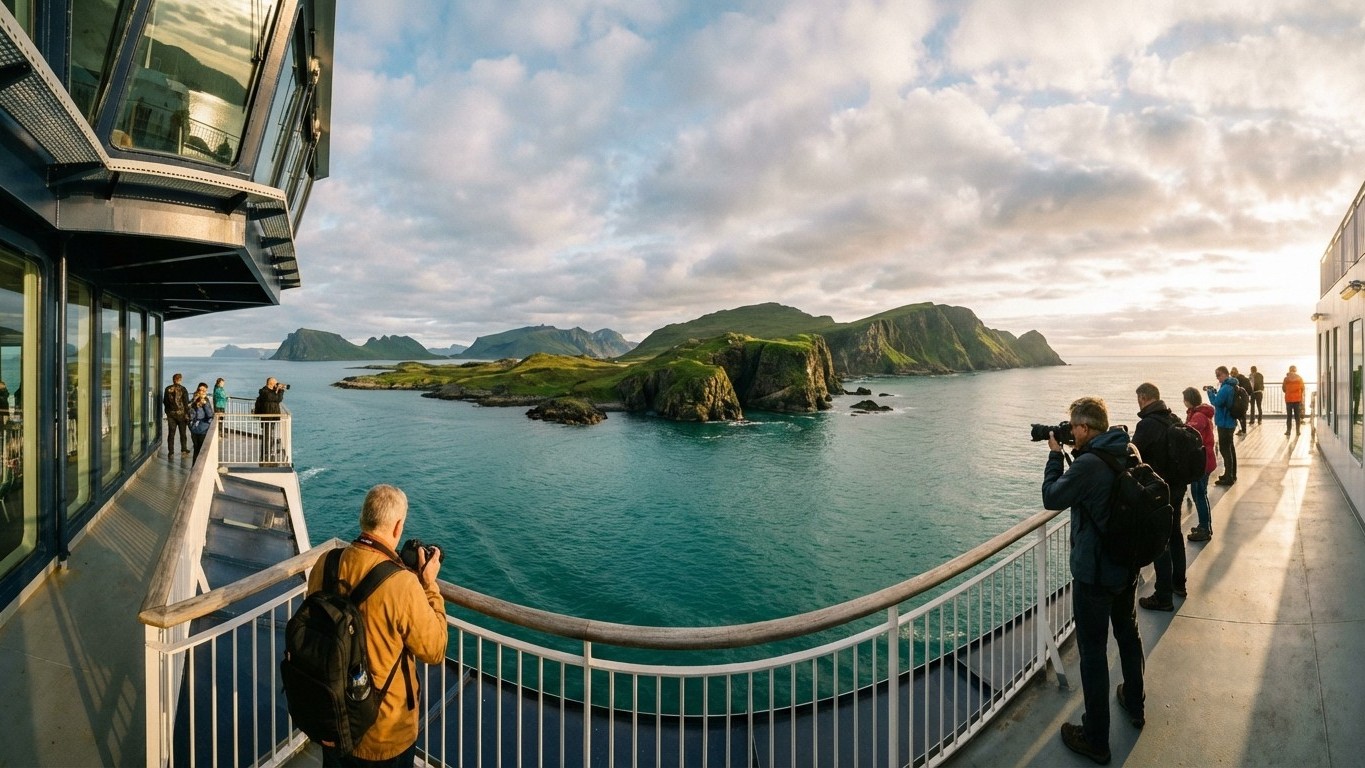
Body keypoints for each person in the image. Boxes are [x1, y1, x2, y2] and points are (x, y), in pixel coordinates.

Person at [307, 484, 447, 767]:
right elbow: (435, 649)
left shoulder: (327, 562)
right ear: (398, 527)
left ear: (364, 518)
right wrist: (429, 585)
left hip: (333, 718)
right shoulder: (403, 585)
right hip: (385, 735)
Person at [1042, 396, 1145, 764]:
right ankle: (1135, 702)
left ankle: (1096, 738)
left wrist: (1056, 455)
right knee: (1128, 634)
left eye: (1073, 428)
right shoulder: (1126, 447)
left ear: (1085, 429)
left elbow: (1051, 497)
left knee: (1093, 655)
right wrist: (1074, 450)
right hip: (1126, 564)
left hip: (1095, 575)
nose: (1069, 432)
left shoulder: (1087, 464)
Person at [1132, 383, 1187, 611]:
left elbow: (1133, 455)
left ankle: (1163, 596)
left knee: (1160, 540)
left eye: (1138, 399)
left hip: (1160, 491)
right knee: (1175, 534)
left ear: (1143, 398)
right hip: (1178, 486)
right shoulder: (1173, 418)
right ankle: (1179, 584)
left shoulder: (1147, 425)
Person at [1183, 387, 1217, 542]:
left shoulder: (1199, 416)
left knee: (1200, 495)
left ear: (1189, 399)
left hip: (1203, 461)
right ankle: (1204, 525)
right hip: (1205, 459)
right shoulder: (1199, 413)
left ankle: (1204, 528)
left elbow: (1188, 432)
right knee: (1199, 494)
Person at [1204, 367, 1238, 486]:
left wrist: (1209, 392)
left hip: (1224, 422)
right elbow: (1223, 400)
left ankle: (1228, 477)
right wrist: (1215, 392)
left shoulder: (1226, 387)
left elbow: (1217, 403)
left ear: (1224, 374)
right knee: (1230, 448)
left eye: (1218, 375)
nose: (1217, 377)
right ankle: (1232, 474)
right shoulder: (1231, 385)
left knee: (1225, 450)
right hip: (1231, 421)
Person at [254, 377, 286, 464]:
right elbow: (278, 399)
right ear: (271, 383)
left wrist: (278, 389)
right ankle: (266, 454)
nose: (276, 384)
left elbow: (275, 399)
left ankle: (267, 452)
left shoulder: (270, 391)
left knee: (269, 435)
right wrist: (281, 390)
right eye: (275, 383)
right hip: (267, 417)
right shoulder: (264, 391)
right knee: (267, 436)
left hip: (272, 417)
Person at [162, 373, 191, 457]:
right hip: (181, 415)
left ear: (173, 379)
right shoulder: (183, 389)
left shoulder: (167, 389)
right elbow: (186, 403)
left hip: (171, 414)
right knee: (183, 433)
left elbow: (165, 401)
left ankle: (171, 452)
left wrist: (168, 411)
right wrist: (187, 413)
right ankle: (184, 449)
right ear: (180, 380)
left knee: (171, 433)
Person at [187, 382, 214, 464]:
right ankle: (199, 468)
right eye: (201, 390)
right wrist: (205, 404)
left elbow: (189, 414)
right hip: (202, 428)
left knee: (196, 448)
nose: (202, 392)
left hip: (194, 428)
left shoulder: (192, 400)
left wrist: (190, 424)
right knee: (201, 450)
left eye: (203, 390)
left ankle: (194, 467)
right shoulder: (204, 401)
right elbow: (210, 414)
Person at [1284, 365, 1305, 437]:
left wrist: (1289, 392)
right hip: (1297, 399)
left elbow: (1284, 389)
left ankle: (1288, 431)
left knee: (1289, 416)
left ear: (1289, 370)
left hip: (1289, 399)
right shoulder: (1299, 378)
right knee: (1297, 416)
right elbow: (1302, 388)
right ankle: (1298, 431)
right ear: (1295, 370)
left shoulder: (1286, 379)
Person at [1230, 367, 1252, 435]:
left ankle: (1242, 430)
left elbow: (1234, 391)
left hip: (1238, 401)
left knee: (1238, 416)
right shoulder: (1245, 379)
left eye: (1232, 374)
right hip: (1244, 399)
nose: (1232, 375)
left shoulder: (1235, 381)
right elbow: (1250, 390)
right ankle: (1243, 430)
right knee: (1242, 416)